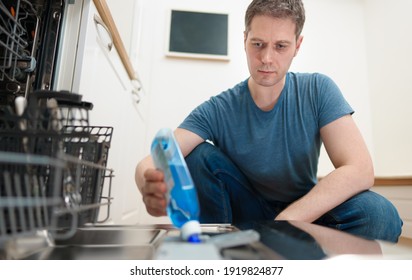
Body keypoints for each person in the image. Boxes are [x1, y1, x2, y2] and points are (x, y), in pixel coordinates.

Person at [135, 0, 402, 242]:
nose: (266, 59)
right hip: (244, 215)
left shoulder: (318, 90)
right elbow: (153, 159)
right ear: (244, 40)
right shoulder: (218, 108)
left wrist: (283, 224)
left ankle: (290, 253)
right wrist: (148, 184)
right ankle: (221, 249)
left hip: (301, 214)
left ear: (297, 46)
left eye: (281, 46)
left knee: (380, 215)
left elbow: (360, 169)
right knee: (197, 155)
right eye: (258, 44)